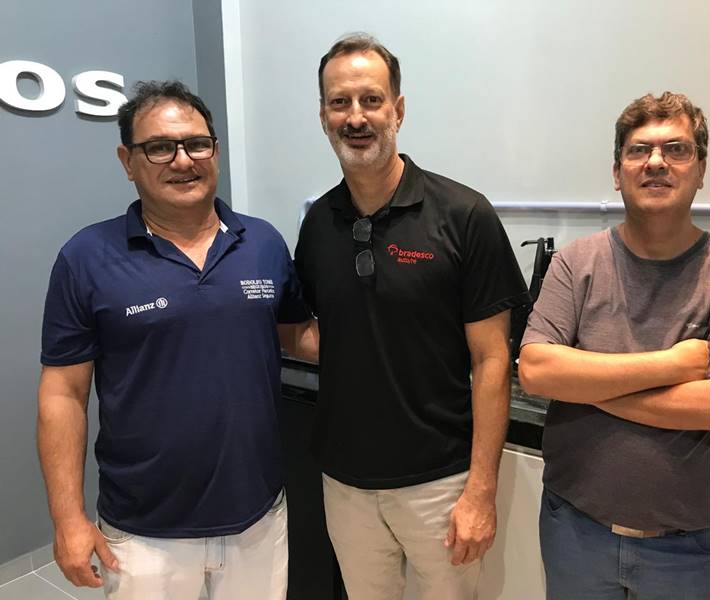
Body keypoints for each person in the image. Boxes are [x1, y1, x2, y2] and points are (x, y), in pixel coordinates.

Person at [37, 80, 317, 600]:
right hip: (144, 533)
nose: (183, 160)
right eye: (160, 147)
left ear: (215, 150)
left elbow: (298, 334)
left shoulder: (263, 243)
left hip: (258, 516)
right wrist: (68, 517)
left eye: (197, 144)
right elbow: (63, 394)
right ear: (127, 160)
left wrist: (398, 340)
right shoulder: (86, 257)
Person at [293, 33, 530, 600]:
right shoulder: (318, 224)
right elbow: (314, 332)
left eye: (371, 100)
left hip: (440, 483)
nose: (356, 117)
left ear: (398, 109)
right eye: (340, 102)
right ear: (323, 117)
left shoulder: (464, 215)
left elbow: (492, 359)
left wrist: (480, 490)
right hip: (346, 482)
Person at [519, 92, 710, 599]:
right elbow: (536, 370)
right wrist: (673, 364)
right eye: (639, 150)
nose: (656, 162)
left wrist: (587, 387)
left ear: (701, 170)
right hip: (575, 532)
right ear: (618, 173)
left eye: (676, 149)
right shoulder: (576, 263)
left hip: (689, 549)